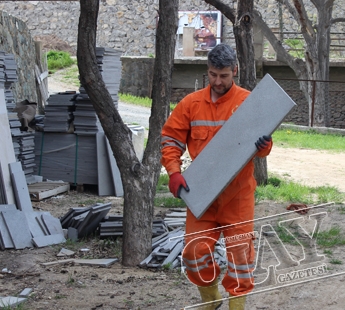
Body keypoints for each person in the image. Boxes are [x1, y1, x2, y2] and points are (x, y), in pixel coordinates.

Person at [160, 44, 273, 310]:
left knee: (240, 257)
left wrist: (264, 146)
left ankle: (237, 305)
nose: (218, 81)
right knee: (194, 253)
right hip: (202, 194)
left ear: (234, 70)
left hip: (238, 195)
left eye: (223, 75)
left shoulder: (248, 102)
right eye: (213, 75)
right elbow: (171, 139)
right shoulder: (191, 104)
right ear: (207, 71)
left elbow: (263, 148)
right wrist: (174, 172)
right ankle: (211, 301)